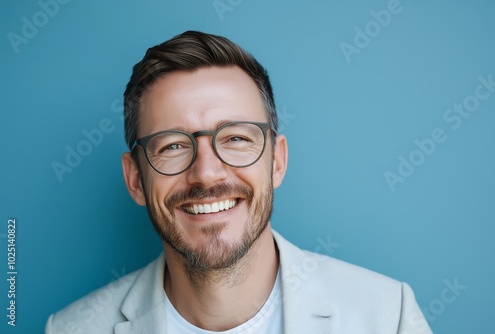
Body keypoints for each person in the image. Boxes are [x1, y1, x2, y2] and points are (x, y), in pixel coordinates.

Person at [45, 30, 432, 333]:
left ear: (277, 161)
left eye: (236, 139)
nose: (207, 173)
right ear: (134, 179)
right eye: (173, 146)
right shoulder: (70, 330)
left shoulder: (387, 317)